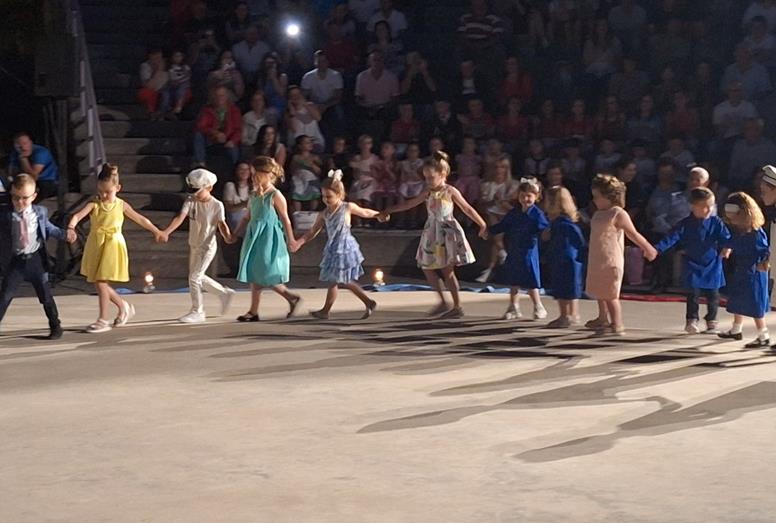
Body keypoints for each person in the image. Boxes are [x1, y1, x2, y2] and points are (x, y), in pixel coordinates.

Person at [379, 151, 488, 318]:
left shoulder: (450, 191)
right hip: (432, 233)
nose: (428, 181)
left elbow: (467, 208)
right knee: (427, 267)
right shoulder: (428, 192)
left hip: (446, 232)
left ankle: (457, 305)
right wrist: (389, 210)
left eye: (431, 177)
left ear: (442, 174)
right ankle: (443, 301)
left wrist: (482, 223)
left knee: (447, 271)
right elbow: (409, 203)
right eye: (426, 178)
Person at [67, 165, 165, 333]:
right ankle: (123, 306)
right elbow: (77, 216)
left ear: (117, 188)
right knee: (99, 283)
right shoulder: (94, 204)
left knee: (101, 281)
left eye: (108, 192)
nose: (104, 195)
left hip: (112, 244)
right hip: (96, 244)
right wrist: (71, 227)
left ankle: (103, 319)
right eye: (101, 191)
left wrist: (157, 231)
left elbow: (141, 219)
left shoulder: (121, 205)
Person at [291, 171, 380, 319]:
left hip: (345, 247)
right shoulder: (324, 214)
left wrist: (378, 214)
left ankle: (326, 311)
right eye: (323, 196)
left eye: (329, 196)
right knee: (341, 280)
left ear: (339, 194)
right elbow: (313, 231)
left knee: (336, 281)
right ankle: (368, 302)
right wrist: (299, 242)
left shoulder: (347, 207)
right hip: (333, 248)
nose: (326, 200)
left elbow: (364, 212)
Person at [0, 175, 74, 340]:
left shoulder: (40, 212)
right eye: (16, 197)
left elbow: (49, 228)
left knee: (45, 295)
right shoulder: (5, 215)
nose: (20, 202)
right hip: (16, 261)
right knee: (4, 296)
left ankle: (55, 325)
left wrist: (64, 234)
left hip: (35, 260)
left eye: (25, 198)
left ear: (33, 196)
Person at [229, 156, 301, 321]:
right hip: (255, 236)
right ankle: (254, 311)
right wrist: (235, 233)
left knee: (265, 272)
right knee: (255, 272)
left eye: (257, 174)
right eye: (253, 174)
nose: (254, 177)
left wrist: (291, 239)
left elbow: (285, 218)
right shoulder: (254, 194)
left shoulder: (275, 195)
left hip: (268, 237)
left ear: (268, 174)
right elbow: (247, 217)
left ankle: (289, 297)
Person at [585, 174, 657, 336]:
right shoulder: (598, 213)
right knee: (600, 290)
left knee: (610, 293)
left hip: (611, 259)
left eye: (597, 196)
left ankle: (617, 323)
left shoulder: (618, 213)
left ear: (609, 196)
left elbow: (633, 234)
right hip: (597, 258)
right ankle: (602, 318)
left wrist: (647, 247)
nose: (594, 200)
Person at [161, 169, 236, 323]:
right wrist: (166, 231)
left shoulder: (217, 205)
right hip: (194, 244)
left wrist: (227, 237)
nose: (195, 194)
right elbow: (180, 217)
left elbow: (221, 224)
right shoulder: (191, 200)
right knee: (196, 277)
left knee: (194, 278)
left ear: (209, 188)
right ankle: (223, 293)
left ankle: (198, 311)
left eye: (198, 191)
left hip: (207, 247)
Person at [654, 188, 731, 335]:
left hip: (712, 263)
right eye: (703, 206)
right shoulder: (685, 224)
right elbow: (672, 237)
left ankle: (712, 321)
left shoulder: (716, 222)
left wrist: (727, 248)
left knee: (713, 295)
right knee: (693, 294)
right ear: (693, 206)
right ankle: (692, 320)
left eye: (711, 206)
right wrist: (657, 249)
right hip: (692, 263)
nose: (708, 210)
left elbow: (726, 237)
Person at [489, 177, 550, 321]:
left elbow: (545, 229)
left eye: (529, 196)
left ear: (536, 196)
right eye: (522, 195)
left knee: (531, 280)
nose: (525, 199)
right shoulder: (514, 213)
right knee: (514, 280)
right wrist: (488, 231)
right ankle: (514, 307)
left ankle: (538, 306)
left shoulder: (537, 214)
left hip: (529, 250)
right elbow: (503, 225)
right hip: (514, 249)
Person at [718, 192, 771, 347]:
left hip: (754, 272)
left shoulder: (755, 233)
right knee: (738, 299)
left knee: (755, 304)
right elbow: (734, 241)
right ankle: (736, 329)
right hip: (742, 269)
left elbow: (765, 251)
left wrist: (764, 263)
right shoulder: (740, 230)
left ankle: (763, 335)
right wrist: (728, 247)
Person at [543, 186, 586, 328]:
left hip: (562, 258)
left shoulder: (559, 223)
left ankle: (564, 316)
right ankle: (574, 314)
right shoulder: (571, 222)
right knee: (572, 287)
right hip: (574, 258)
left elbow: (557, 243)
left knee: (562, 287)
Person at [477, 154, 517, 283]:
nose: (499, 170)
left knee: (497, 228)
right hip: (490, 214)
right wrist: (493, 201)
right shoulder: (486, 185)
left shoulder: (514, 185)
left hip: (508, 216)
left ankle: (491, 267)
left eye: (503, 167)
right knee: (492, 216)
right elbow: (481, 205)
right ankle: (499, 256)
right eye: (497, 167)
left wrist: (502, 202)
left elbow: (514, 208)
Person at [193, 86, 242, 167]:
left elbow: (238, 129)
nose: (219, 98)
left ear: (227, 97)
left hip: (228, 139)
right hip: (211, 139)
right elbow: (200, 126)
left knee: (234, 150)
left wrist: (232, 141)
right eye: (217, 96)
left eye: (222, 95)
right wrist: (215, 133)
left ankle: (235, 169)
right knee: (198, 136)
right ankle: (200, 163)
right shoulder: (207, 110)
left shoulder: (234, 110)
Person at [8, 132, 60, 201]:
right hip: (25, 181)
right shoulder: (15, 154)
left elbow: (33, 176)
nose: (23, 147)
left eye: (25, 143)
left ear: (31, 143)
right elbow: (11, 173)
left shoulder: (41, 152)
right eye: (19, 145)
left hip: (47, 181)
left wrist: (23, 159)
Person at [222, 162, 253, 274]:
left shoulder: (254, 187)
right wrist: (246, 203)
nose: (244, 172)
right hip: (235, 221)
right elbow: (230, 208)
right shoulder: (230, 186)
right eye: (241, 169)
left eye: (247, 169)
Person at [286, 86, 325, 152]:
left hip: (314, 141)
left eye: (298, 94)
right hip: (298, 143)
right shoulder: (288, 113)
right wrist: (292, 109)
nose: (296, 97)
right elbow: (294, 129)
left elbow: (318, 118)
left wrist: (304, 104)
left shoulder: (310, 105)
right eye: (293, 95)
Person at [289, 135, 323, 212]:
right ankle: (297, 213)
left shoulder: (315, 157)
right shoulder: (296, 157)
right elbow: (292, 169)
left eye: (310, 142)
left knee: (314, 190)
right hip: (299, 179)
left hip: (311, 178)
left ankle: (313, 211)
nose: (310, 144)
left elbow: (320, 170)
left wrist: (314, 166)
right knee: (297, 190)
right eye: (307, 143)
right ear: (300, 146)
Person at [396, 143, 424, 228]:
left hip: (417, 183)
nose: (412, 153)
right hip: (406, 183)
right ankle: (401, 220)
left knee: (414, 197)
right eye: (410, 151)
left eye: (415, 151)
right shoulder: (403, 163)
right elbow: (402, 177)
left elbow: (421, 177)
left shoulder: (421, 162)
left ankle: (413, 220)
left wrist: (413, 173)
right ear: (407, 152)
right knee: (401, 194)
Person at [137, 48, 169, 120]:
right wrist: (158, 70)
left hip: (166, 89)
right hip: (153, 90)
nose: (158, 60)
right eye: (155, 57)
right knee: (146, 93)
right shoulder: (145, 66)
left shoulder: (168, 65)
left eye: (159, 58)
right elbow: (148, 85)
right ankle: (152, 114)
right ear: (150, 56)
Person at [454, 136, 483, 206]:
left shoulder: (478, 158)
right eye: (465, 143)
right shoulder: (459, 157)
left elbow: (480, 170)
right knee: (458, 192)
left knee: (474, 189)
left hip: (474, 179)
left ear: (475, 146)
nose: (467, 145)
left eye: (470, 143)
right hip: (461, 179)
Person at [166, 49, 192, 118]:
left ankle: (179, 105)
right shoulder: (170, 67)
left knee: (181, 90)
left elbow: (188, 75)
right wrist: (174, 82)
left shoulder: (185, 66)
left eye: (179, 56)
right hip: (174, 83)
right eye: (176, 56)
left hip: (184, 82)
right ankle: (168, 109)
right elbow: (170, 76)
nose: (177, 58)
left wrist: (180, 81)